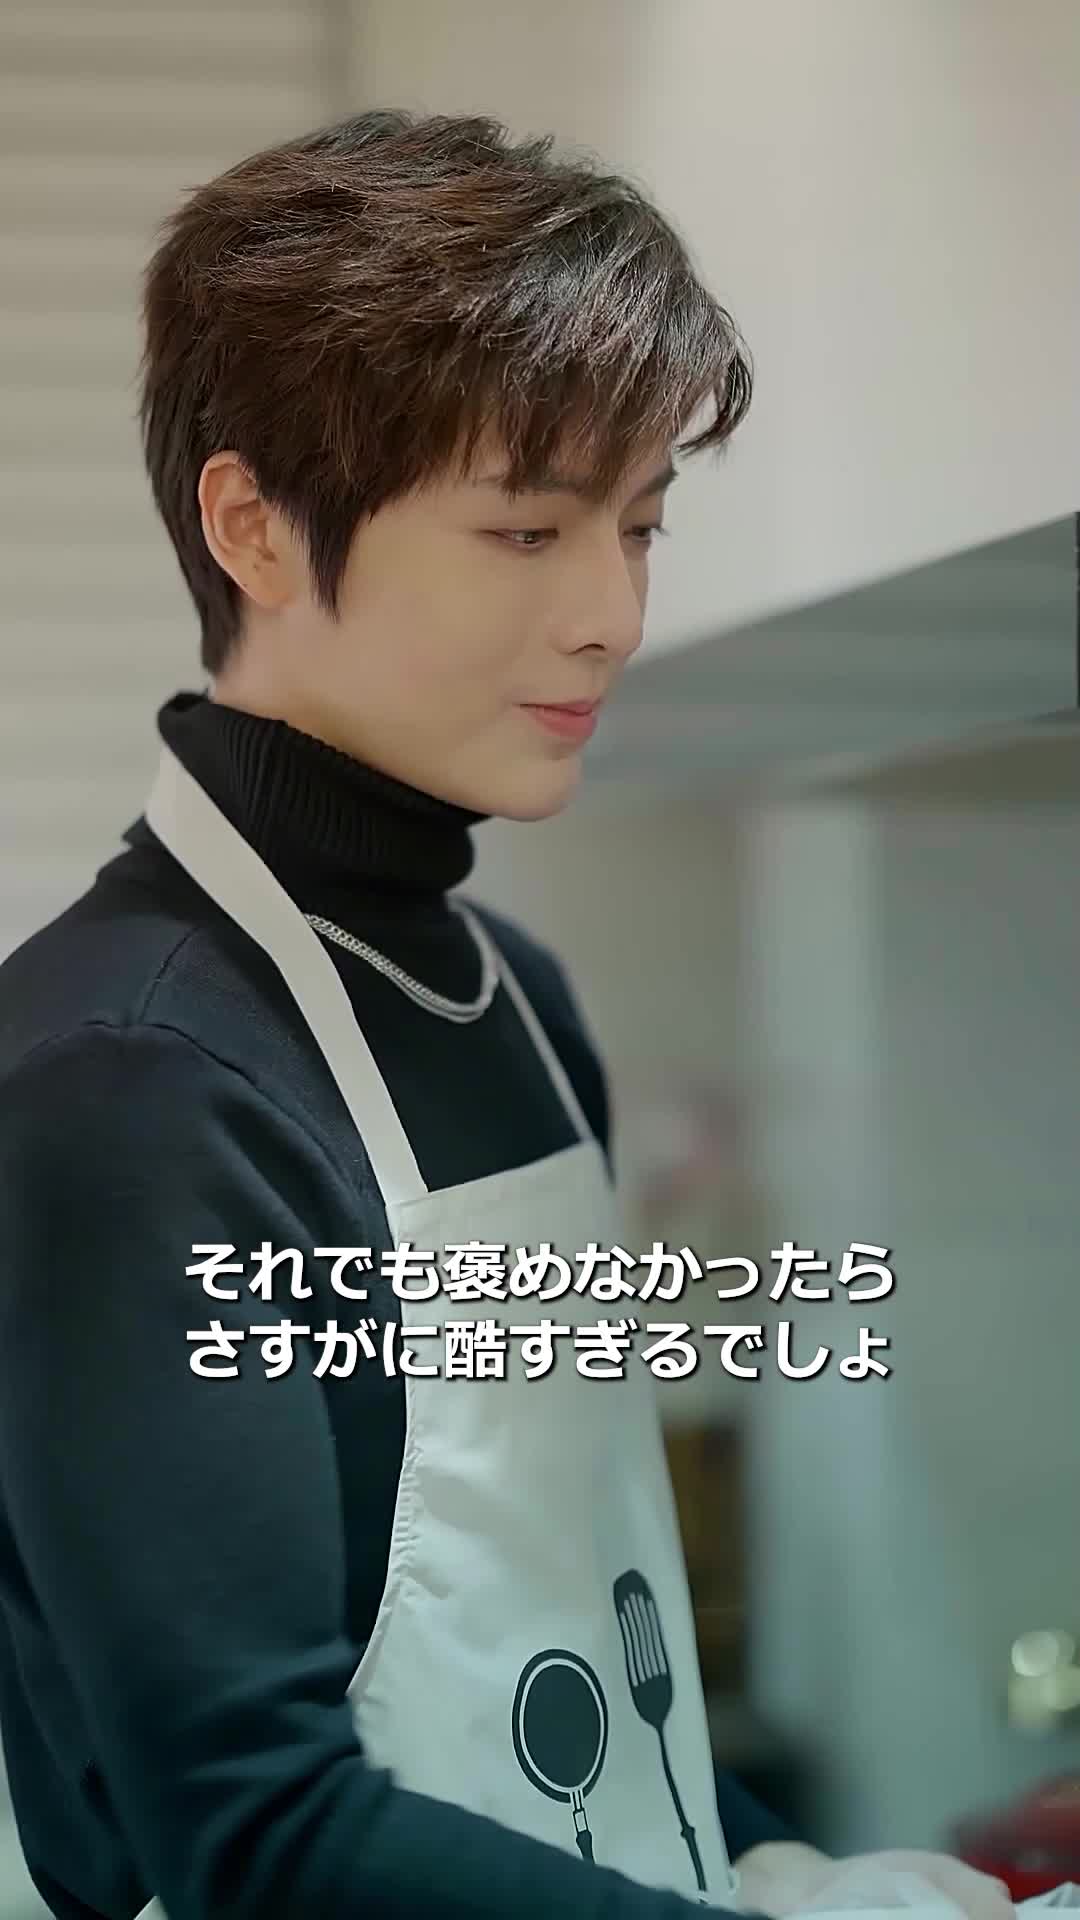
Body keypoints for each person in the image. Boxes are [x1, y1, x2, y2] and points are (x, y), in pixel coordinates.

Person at [0, 111, 1013, 1920]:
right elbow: (253, 1836)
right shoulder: (134, 1083)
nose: (612, 613)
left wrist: (767, 1874)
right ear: (251, 526)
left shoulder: (516, 1002)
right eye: (527, 528)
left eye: (640, 526)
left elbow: (578, 1665)